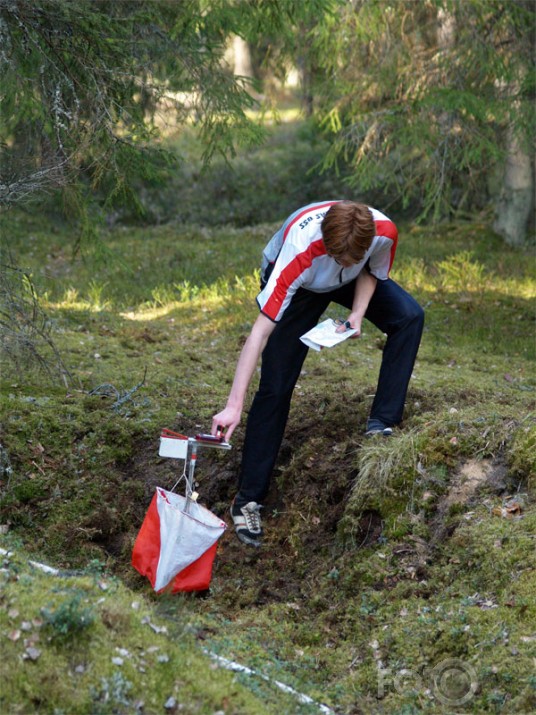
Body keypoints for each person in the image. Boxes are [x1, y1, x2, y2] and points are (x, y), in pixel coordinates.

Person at [211, 200, 424, 547]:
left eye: (354, 258)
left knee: (410, 316)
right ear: (328, 246)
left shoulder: (382, 233)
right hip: (303, 281)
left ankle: (381, 423)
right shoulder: (299, 253)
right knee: (276, 386)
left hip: (344, 274)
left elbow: (370, 269)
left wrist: (357, 312)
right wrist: (233, 405)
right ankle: (248, 499)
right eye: (342, 259)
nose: (347, 264)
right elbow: (258, 334)